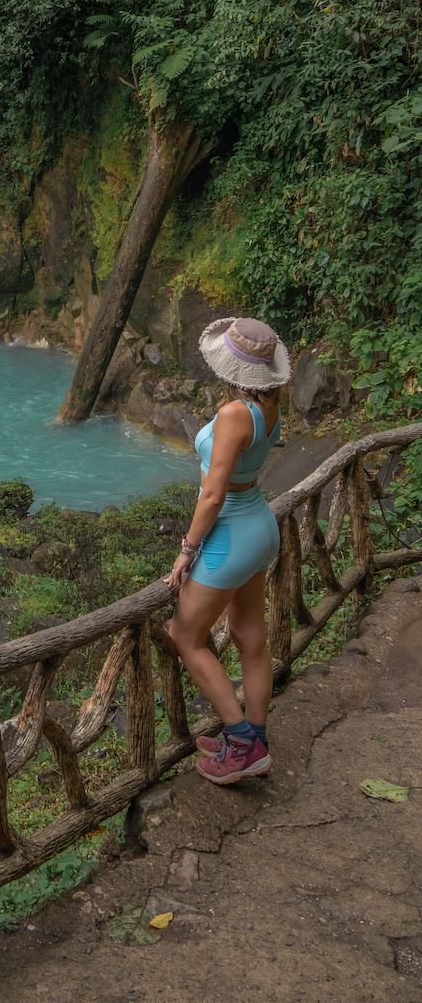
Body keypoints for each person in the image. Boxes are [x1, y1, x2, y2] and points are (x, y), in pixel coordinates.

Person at [164, 316, 291, 785]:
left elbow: (214, 495)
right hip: (259, 525)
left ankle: (240, 745)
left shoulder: (236, 414)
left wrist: (186, 549)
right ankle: (255, 738)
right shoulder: (268, 406)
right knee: (250, 640)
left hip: (232, 533)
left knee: (185, 636)